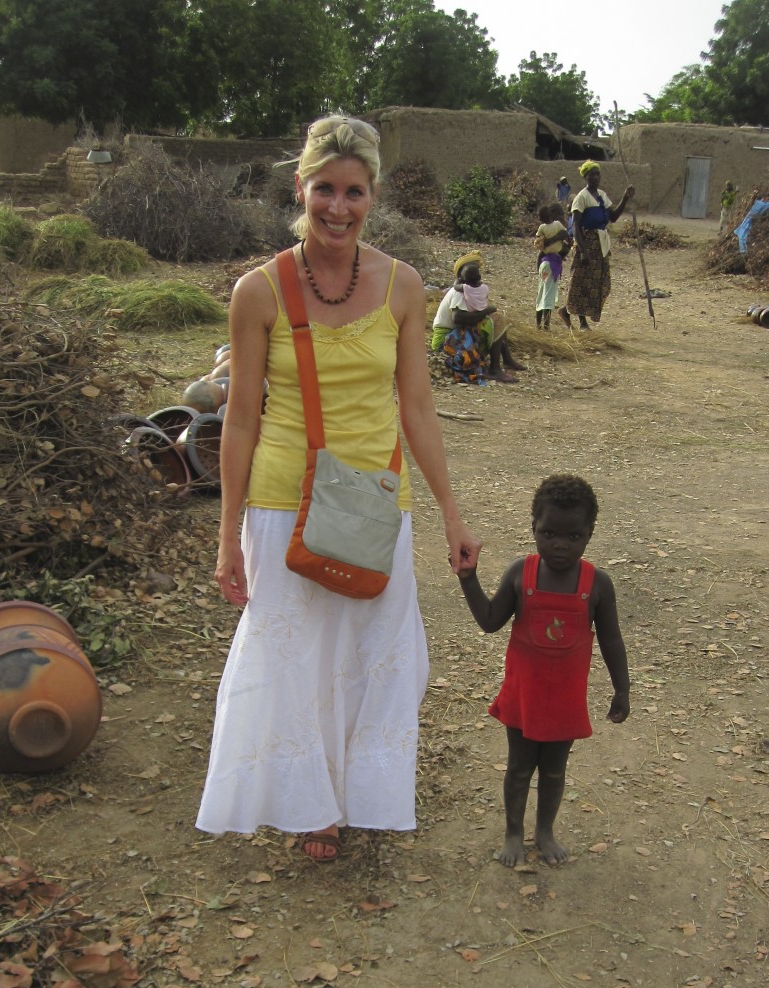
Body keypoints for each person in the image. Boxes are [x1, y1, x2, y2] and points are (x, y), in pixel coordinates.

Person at [198, 115, 482, 863]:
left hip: (372, 501)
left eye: (353, 192)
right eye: (323, 188)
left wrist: (450, 510)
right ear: (301, 187)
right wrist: (227, 533)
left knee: (378, 655)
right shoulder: (257, 292)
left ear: (373, 195)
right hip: (279, 501)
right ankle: (306, 803)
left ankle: (359, 791)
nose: (337, 207)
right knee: (291, 660)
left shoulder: (402, 285)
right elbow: (239, 421)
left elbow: (416, 406)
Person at [457, 474, 631, 867]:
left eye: (574, 537)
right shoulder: (522, 574)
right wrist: (469, 579)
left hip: (565, 702)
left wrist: (622, 689)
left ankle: (545, 831)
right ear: (532, 526)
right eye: (548, 533)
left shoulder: (597, 585)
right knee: (518, 768)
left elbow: (612, 640)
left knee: (554, 771)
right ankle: (514, 833)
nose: (559, 545)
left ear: (589, 534)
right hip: (524, 696)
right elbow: (489, 620)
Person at [557, 161, 635, 331]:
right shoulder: (581, 198)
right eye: (591, 174)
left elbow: (613, 217)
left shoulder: (601, 196)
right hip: (586, 243)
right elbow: (576, 226)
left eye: (597, 174)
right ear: (585, 177)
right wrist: (583, 251)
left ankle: (566, 311)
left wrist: (625, 198)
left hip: (601, 245)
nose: (594, 177)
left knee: (600, 283)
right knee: (581, 282)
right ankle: (583, 322)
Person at [430, 252, 524, 382]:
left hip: (454, 336)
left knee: (496, 319)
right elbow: (458, 319)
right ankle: (495, 369)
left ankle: (506, 359)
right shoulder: (459, 292)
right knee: (497, 319)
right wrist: (485, 312)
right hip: (445, 341)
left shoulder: (467, 290)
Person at [534, 204, 570, 330]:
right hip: (552, 265)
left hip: (543, 265)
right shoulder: (558, 225)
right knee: (548, 296)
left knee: (541, 292)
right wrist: (559, 239)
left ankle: (538, 324)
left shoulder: (542, 228)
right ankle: (546, 326)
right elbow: (566, 235)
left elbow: (538, 244)